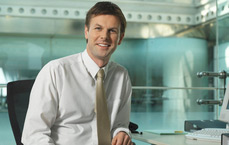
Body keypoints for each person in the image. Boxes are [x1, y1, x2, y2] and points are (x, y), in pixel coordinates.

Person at [22, 1, 133, 145]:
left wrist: (122, 132)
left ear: (120, 38)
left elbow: (121, 123)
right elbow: (34, 135)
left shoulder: (121, 76)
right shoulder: (56, 71)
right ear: (86, 32)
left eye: (112, 30)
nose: (104, 36)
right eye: (98, 28)